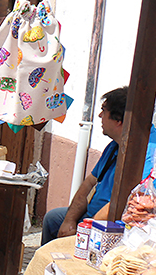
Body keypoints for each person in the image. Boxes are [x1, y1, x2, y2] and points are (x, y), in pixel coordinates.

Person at [42, 86, 156, 244]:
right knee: (54, 219)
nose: (100, 115)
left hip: (119, 227)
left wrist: (87, 230)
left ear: (118, 121)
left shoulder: (148, 152)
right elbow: (89, 183)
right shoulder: (115, 145)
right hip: (92, 216)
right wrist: (69, 220)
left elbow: (129, 201)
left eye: (104, 111)